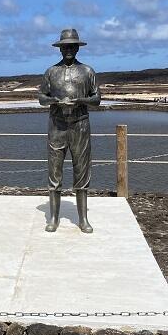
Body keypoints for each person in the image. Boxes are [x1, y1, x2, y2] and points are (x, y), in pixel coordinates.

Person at [38, 29, 100, 233]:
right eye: (65, 46)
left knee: (82, 171)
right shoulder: (51, 72)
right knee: (54, 172)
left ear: (77, 48)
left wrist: (80, 100)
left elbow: (97, 99)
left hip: (80, 125)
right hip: (57, 125)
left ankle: (83, 219)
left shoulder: (88, 71)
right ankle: (54, 218)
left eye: (72, 46)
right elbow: (41, 98)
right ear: (60, 48)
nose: (69, 50)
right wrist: (55, 100)